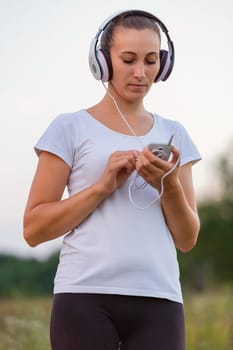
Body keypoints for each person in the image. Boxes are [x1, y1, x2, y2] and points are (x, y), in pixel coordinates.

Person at [23, 9, 201, 350]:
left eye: (151, 61)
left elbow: (187, 238)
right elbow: (33, 230)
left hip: (159, 299)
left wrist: (169, 184)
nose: (140, 73)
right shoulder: (69, 127)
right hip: (83, 298)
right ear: (102, 62)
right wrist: (102, 187)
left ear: (163, 65)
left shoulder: (175, 134)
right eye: (128, 59)